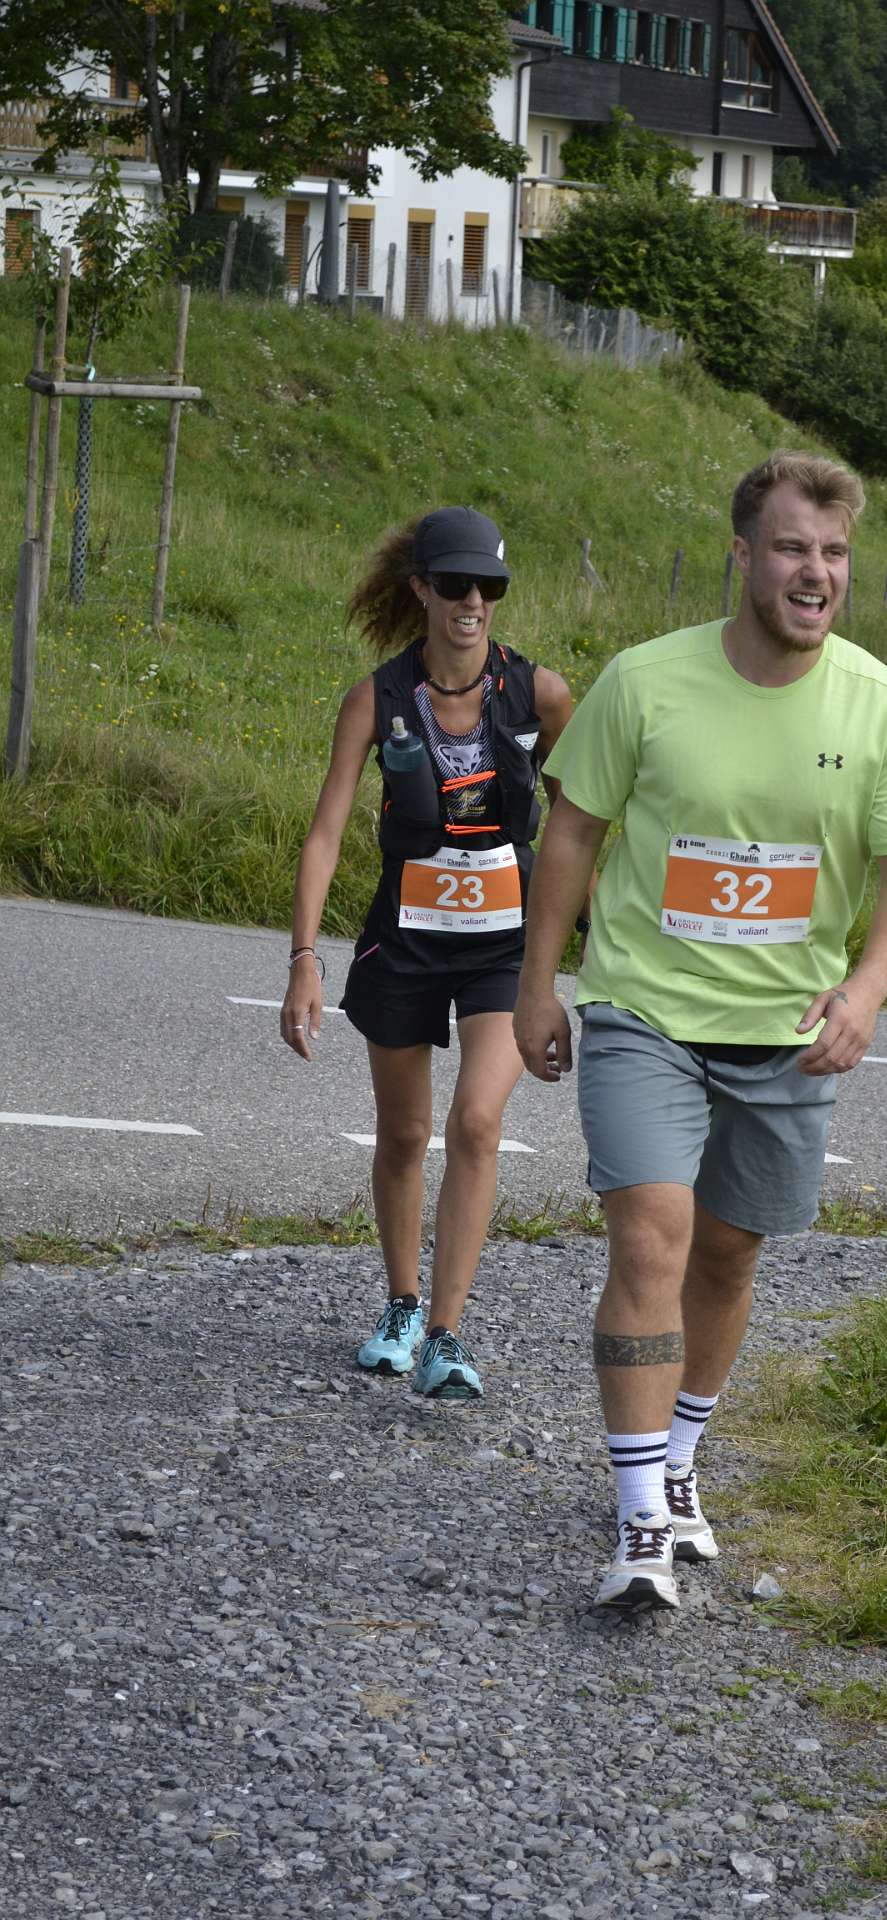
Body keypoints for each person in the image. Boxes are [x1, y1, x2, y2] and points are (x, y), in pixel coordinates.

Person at [514, 451, 887, 1609]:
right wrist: (537, 984)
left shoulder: (881, 704)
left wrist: (865, 990)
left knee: (726, 1252)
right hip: (644, 1007)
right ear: (743, 555)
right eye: (793, 547)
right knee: (651, 1238)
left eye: (834, 553)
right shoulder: (644, 681)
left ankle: (680, 1456)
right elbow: (572, 833)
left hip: (786, 1028)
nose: (815, 572)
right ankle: (638, 1517)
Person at [283, 506, 578, 1400]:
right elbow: (325, 832)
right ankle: (403, 1306)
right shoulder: (376, 698)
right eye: (454, 585)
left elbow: (583, 824)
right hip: (405, 937)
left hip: (503, 948)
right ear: (421, 589)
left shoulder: (542, 695)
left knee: (477, 1122)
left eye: (488, 587)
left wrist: (590, 945)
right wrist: (304, 957)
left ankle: (448, 1331)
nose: (472, 602)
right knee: (406, 1133)